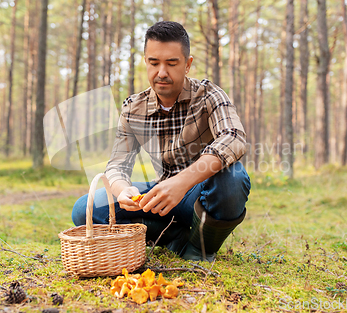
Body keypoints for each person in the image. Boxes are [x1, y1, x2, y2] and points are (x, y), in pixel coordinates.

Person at [72, 21, 251, 261]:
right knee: (85, 209)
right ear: (145, 61)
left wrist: (181, 183)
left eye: (172, 63)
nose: (162, 72)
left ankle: (200, 249)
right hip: (160, 197)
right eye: (154, 63)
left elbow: (234, 137)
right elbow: (116, 166)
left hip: (201, 195)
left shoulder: (208, 95)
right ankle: (174, 238)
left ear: (187, 65)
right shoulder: (133, 108)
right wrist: (123, 190)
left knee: (234, 177)